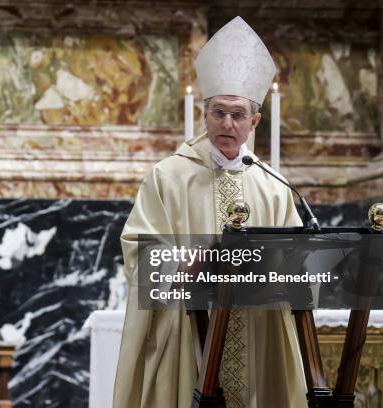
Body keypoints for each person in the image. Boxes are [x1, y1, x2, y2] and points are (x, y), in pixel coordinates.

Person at [113, 16, 308, 408]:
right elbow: (138, 248)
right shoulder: (168, 177)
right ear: (204, 114)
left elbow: (296, 261)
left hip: (259, 331)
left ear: (255, 121)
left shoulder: (273, 185)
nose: (227, 123)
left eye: (238, 115)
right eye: (218, 112)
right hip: (189, 330)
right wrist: (183, 264)